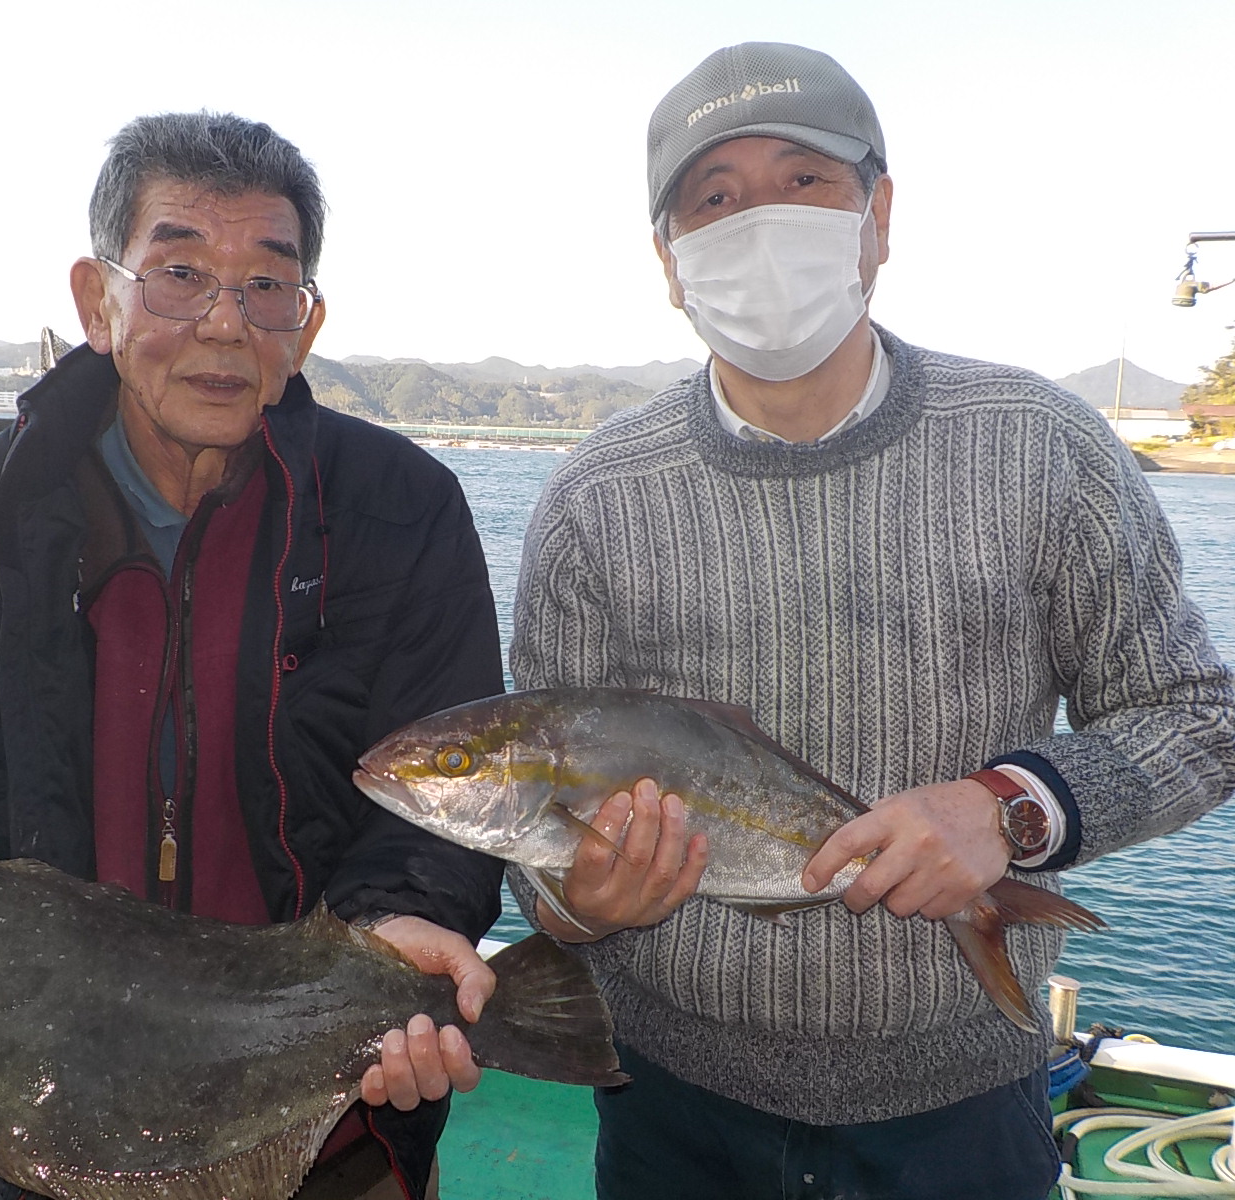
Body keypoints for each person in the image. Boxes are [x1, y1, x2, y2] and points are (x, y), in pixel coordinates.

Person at [509, 41, 1235, 1200]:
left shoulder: (1039, 444)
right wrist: (571, 904)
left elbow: (1199, 717)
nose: (759, 222)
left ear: (878, 213)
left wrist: (1013, 808)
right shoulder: (598, 497)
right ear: (668, 257)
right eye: (715, 198)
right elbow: (533, 805)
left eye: (804, 182)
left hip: (961, 1105)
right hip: (669, 1100)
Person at [0, 111, 505, 1200]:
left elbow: (444, 788)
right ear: (98, 301)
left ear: (307, 321)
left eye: (267, 286)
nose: (225, 325)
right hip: (48, 1106)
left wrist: (400, 922)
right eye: (180, 272)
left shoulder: (398, 508)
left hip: (327, 1121)